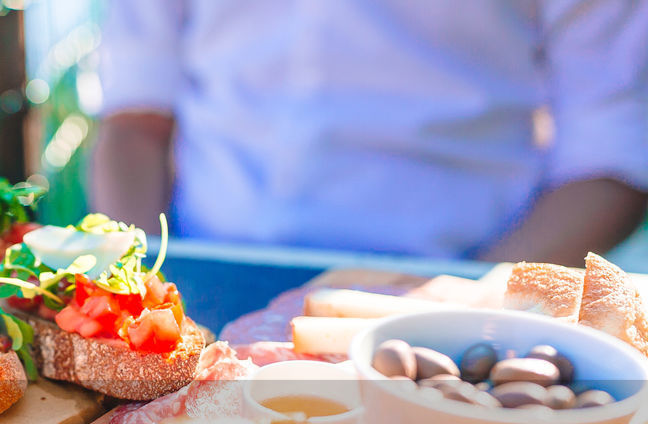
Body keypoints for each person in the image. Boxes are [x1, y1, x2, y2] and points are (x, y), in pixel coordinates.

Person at [91, 0, 648, 265]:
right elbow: (135, 121)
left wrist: (475, 300)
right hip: (204, 269)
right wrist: (143, 279)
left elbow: (610, 161)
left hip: (460, 280)